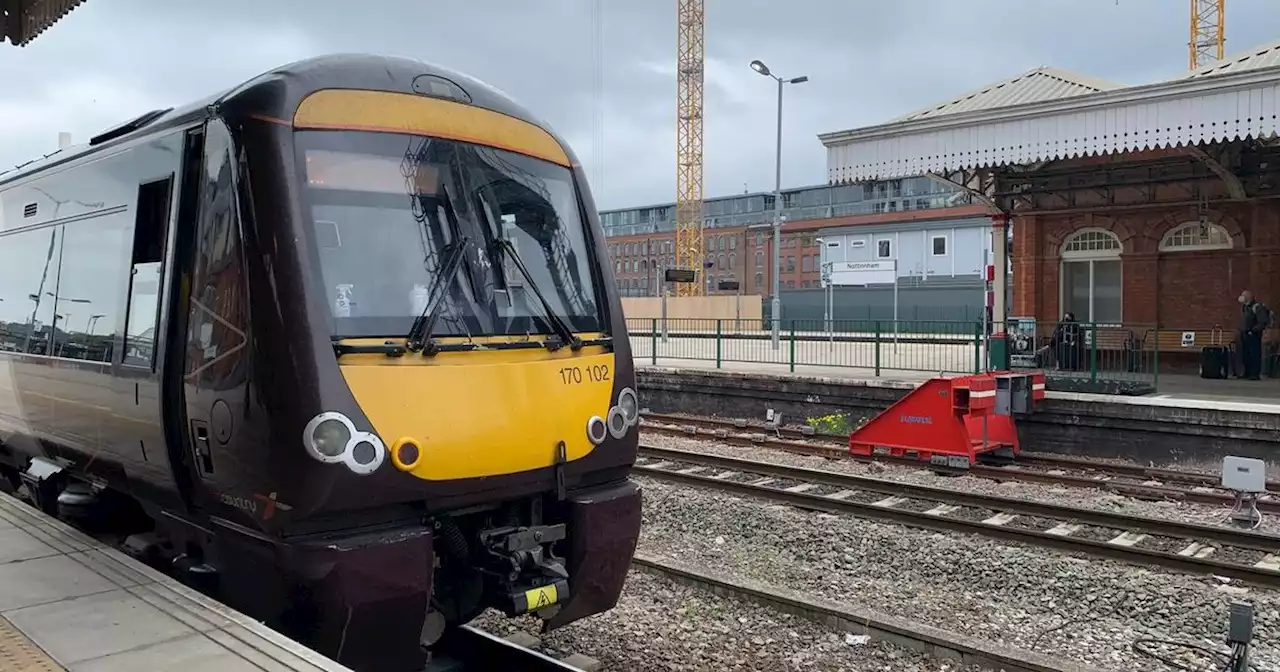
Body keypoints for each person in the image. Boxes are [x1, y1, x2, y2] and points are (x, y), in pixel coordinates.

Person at [1237, 290, 1271, 380]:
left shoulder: (1257, 307)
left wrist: (1254, 330)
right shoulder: (1245, 307)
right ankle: (1246, 372)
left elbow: (1263, 321)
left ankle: (1254, 373)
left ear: (1248, 297)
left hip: (1253, 334)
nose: (1241, 297)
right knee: (1245, 355)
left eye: (1243, 295)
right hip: (1245, 334)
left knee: (1254, 354)